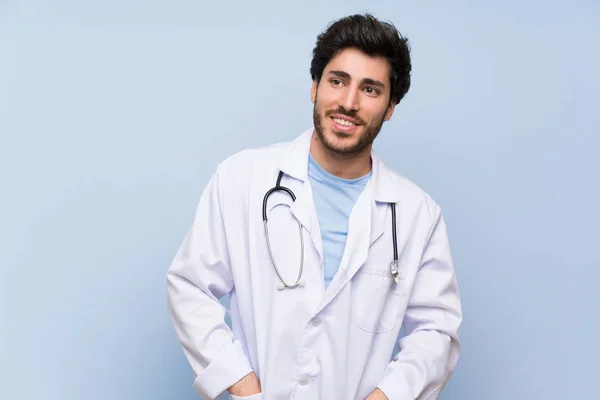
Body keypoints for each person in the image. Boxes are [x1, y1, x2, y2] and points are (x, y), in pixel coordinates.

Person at [167, 13, 462, 400]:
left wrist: (386, 396)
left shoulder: (416, 215)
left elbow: (436, 331)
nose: (349, 102)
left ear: (391, 106)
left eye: (371, 90)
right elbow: (190, 286)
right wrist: (242, 385)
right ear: (315, 87)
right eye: (337, 81)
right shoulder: (241, 179)